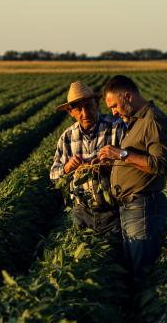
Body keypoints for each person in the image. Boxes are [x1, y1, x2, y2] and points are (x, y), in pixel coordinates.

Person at [98, 75, 167, 281]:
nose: (113, 112)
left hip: (144, 207)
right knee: (133, 268)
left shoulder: (153, 121)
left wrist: (121, 154)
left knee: (142, 272)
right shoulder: (135, 121)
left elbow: (161, 165)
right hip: (131, 207)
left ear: (128, 96)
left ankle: (147, 310)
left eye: (114, 106)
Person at [50, 81, 126, 236]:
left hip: (114, 211)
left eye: (88, 106)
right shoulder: (67, 137)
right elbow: (53, 175)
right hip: (82, 212)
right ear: (71, 112)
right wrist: (67, 168)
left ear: (97, 103)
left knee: (114, 255)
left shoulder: (116, 127)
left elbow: (131, 160)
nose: (85, 113)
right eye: (78, 109)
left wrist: (112, 164)